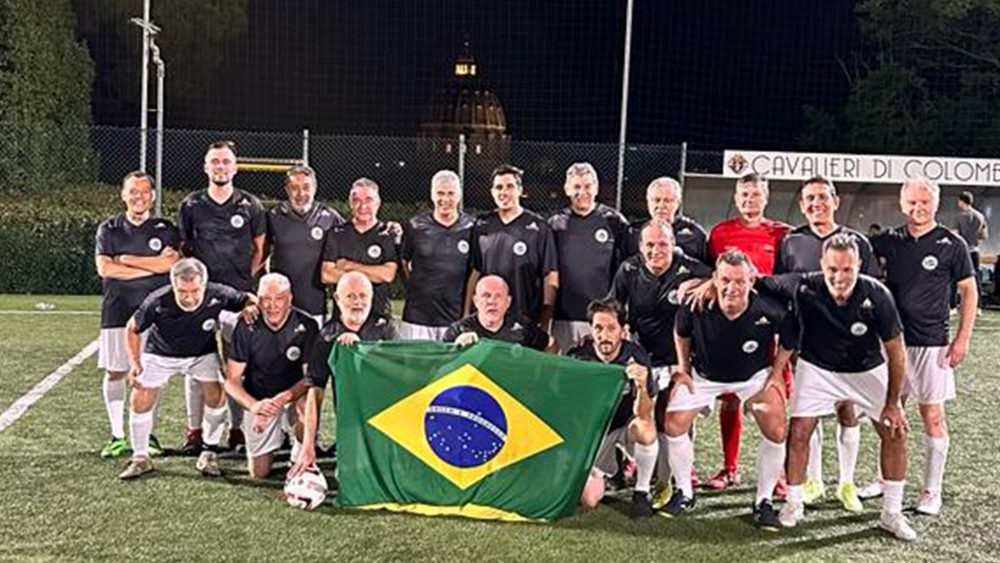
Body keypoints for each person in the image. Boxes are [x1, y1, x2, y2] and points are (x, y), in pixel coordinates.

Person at [761, 234, 916, 541]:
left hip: (866, 368)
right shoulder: (803, 285)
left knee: (895, 431)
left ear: (859, 266)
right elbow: (759, 281)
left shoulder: (877, 294)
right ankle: (793, 504)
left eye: (847, 269)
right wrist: (707, 283)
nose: (839, 277)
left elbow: (896, 352)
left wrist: (893, 403)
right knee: (799, 432)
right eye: (832, 269)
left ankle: (891, 513)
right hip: (817, 368)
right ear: (822, 265)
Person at [865, 178, 977, 516]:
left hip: (932, 344)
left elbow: (969, 291)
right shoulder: (889, 240)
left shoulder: (952, 244)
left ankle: (932, 490)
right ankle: (885, 478)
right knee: (888, 414)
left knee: (932, 416)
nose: (918, 208)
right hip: (893, 344)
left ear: (935, 203)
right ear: (902, 204)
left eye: (924, 202)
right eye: (912, 202)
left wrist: (963, 338)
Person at [663, 250, 790, 529]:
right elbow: (681, 332)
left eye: (740, 281)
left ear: (751, 280)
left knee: (777, 429)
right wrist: (683, 369)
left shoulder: (769, 308)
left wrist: (777, 373)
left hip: (753, 377)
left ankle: (763, 501)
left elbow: (791, 337)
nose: (732, 288)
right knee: (673, 424)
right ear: (715, 279)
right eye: (725, 280)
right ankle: (684, 492)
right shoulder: (696, 303)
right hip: (705, 376)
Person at [774, 176, 879, 511]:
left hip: (849, 345)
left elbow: (873, 291)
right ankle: (813, 480)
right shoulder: (791, 241)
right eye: (809, 198)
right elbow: (782, 288)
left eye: (822, 197)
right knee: (810, 412)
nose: (816, 204)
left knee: (847, 410)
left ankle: (846, 483)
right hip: (807, 343)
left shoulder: (857, 242)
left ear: (835, 200)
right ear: (802, 204)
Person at [118, 258, 256, 480]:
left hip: (201, 354)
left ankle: (208, 453)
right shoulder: (157, 300)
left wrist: (250, 306)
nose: (189, 297)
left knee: (217, 394)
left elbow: (247, 298)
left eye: (195, 291)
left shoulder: (218, 293)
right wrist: (135, 363)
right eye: (182, 292)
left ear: (204, 285)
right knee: (140, 395)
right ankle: (140, 457)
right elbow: (132, 328)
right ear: (173, 285)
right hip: (160, 354)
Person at [608, 220, 712, 501]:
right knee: (640, 417)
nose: (656, 250)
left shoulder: (690, 267)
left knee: (674, 421)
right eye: (650, 245)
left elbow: (721, 279)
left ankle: (671, 481)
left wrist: (701, 283)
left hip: (679, 360)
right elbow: (613, 306)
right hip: (642, 358)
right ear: (641, 246)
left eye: (663, 244)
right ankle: (639, 471)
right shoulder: (629, 269)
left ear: (673, 244)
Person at [176, 140, 266, 454]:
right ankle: (194, 430)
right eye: (215, 161)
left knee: (235, 366)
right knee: (195, 364)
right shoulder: (191, 205)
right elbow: (182, 249)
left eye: (226, 161)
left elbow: (261, 248)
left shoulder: (251, 205)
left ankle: (237, 429)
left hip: (236, 299)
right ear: (206, 167)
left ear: (235, 167)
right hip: (199, 299)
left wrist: (243, 280)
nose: (221, 167)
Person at [704, 172, 790, 491]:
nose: (750, 200)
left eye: (756, 194)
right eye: (744, 195)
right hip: (729, 328)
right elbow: (710, 278)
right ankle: (729, 468)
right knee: (729, 400)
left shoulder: (782, 234)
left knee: (775, 398)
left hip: (769, 330)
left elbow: (786, 281)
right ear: (736, 198)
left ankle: (779, 475)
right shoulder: (719, 234)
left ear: (766, 197)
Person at [94, 171, 179, 458]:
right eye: (133, 191)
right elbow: (105, 269)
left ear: (152, 196)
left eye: (144, 191)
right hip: (117, 311)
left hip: (156, 314)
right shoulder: (109, 229)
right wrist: (152, 267)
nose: (138, 196)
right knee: (116, 371)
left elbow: (171, 265)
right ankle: (117, 435)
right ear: (123, 195)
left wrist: (127, 260)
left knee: (152, 374)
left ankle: (147, 434)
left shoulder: (166, 229)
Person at [290, 271, 398, 476]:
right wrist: (308, 446)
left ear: (371, 297)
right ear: (337, 299)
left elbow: (399, 373)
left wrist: (360, 350)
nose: (358, 302)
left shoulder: (385, 328)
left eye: (363, 295)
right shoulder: (327, 337)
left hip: (385, 416)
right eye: (350, 296)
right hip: (351, 422)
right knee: (350, 477)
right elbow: (315, 392)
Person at [570, 298, 658, 519]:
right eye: (598, 328)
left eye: (611, 328)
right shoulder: (577, 357)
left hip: (625, 426)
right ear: (591, 329)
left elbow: (644, 414)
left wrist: (641, 386)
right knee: (589, 500)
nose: (604, 335)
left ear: (623, 330)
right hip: (594, 434)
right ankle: (609, 471)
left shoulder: (636, 356)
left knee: (645, 430)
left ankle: (642, 491)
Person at [224, 273, 318, 479]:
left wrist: (282, 399)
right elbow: (231, 381)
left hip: (292, 396)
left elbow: (309, 378)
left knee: (306, 403)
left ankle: (298, 452)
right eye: (266, 298)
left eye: (279, 298)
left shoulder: (307, 325)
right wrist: (255, 406)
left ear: (290, 298)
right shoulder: (246, 325)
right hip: (260, 399)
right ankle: (278, 435)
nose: (272, 305)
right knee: (259, 473)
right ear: (258, 299)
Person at [465, 164, 559, 330]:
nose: (504, 192)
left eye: (510, 186)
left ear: (520, 190)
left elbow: (550, 275)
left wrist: (545, 320)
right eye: (499, 187)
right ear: (492, 192)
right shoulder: (482, 225)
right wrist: (466, 312)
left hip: (525, 320)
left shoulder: (538, 227)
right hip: (489, 320)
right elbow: (476, 271)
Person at [548, 163, 630, 351]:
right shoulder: (555, 224)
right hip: (563, 317)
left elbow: (627, 270)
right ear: (567, 189)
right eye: (576, 187)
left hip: (603, 318)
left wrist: (623, 316)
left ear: (596, 187)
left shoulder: (614, 221)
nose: (582, 192)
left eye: (587, 186)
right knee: (563, 366)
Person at [399, 170, 475, 340]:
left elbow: (475, 271)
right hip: (418, 318)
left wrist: (467, 313)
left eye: (450, 193)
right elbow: (402, 262)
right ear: (432, 195)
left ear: (459, 195)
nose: (445, 199)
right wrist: (414, 289)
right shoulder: (415, 226)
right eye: (440, 193)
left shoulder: (472, 227)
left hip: (455, 318)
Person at [265, 165, 344, 326]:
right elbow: (262, 251)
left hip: (315, 305)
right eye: (295, 188)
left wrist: (387, 228)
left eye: (306, 187)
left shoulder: (329, 217)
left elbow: (354, 237)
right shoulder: (273, 216)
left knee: (314, 342)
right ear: (287, 190)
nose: (301, 193)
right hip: (280, 306)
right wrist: (265, 281)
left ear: (315, 188)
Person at [321, 178, 398, 319]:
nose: (363, 206)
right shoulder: (336, 233)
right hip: (343, 318)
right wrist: (373, 274)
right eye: (357, 200)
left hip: (378, 315)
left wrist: (349, 266)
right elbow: (327, 274)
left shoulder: (387, 233)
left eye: (368, 200)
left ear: (378, 203)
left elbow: (388, 274)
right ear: (350, 204)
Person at [445, 276, 552, 351]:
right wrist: (456, 348)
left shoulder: (524, 327)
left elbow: (551, 346)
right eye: (486, 295)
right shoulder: (457, 330)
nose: (492, 301)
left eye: (498, 296)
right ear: (476, 301)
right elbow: (441, 363)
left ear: (508, 302)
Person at [628, 177, 708, 262]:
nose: (661, 206)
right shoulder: (633, 232)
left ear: (678, 203)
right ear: (648, 201)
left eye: (667, 201)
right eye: (656, 200)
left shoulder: (695, 234)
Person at [955, 191, 988, 306]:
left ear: (962, 201)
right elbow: (984, 236)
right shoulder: (980, 216)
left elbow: (955, 234)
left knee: (955, 277)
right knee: (976, 278)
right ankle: (978, 305)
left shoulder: (960, 216)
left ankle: (953, 304)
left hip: (962, 251)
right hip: (975, 250)